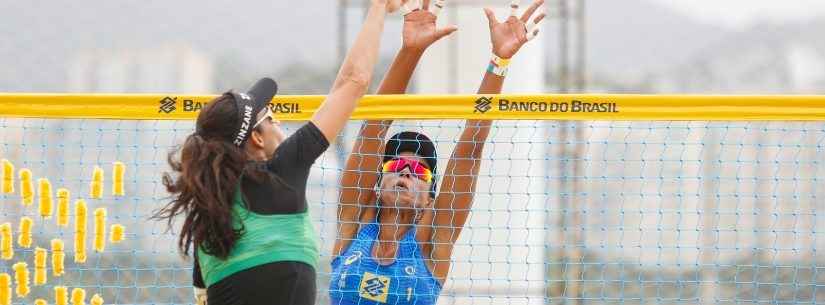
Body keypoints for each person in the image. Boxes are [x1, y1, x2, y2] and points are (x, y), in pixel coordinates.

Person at [153, 1, 408, 304]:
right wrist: (379, 7)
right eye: (271, 117)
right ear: (257, 140)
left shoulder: (207, 220)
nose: (280, 122)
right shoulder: (282, 171)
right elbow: (354, 82)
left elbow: (203, 297)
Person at [329, 0, 546, 304]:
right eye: (395, 165)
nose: (405, 169)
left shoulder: (432, 241)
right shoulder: (354, 223)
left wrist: (499, 61)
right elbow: (374, 125)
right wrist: (411, 50)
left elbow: (469, 152)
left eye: (419, 171)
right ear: (377, 185)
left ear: (430, 197)